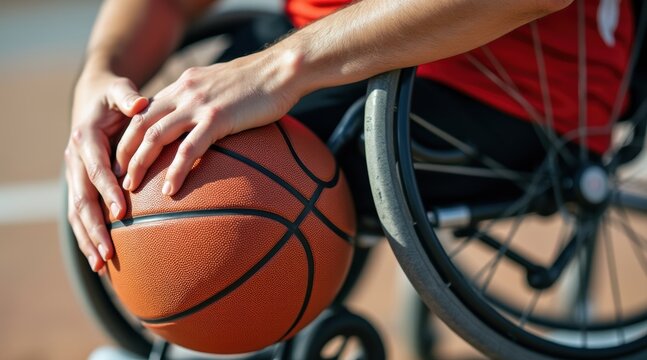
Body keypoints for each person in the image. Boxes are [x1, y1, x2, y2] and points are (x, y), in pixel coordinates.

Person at [66, 0, 634, 274]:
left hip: (501, 82)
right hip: (318, 43)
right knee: (140, 143)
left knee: (222, 178)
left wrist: (278, 70)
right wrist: (102, 71)